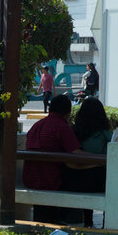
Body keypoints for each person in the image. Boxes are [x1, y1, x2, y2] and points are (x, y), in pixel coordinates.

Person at [24, 94, 82, 223]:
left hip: (31, 179)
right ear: (68, 113)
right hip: (51, 180)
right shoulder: (61, 126)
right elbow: (76, 153)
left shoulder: (36, 125)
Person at [63, 97, 112, 227]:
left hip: (73, 179)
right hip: (97, 180)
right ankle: (104, 223)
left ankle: (88, 222)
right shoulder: (105, 134)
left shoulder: (73, 131)